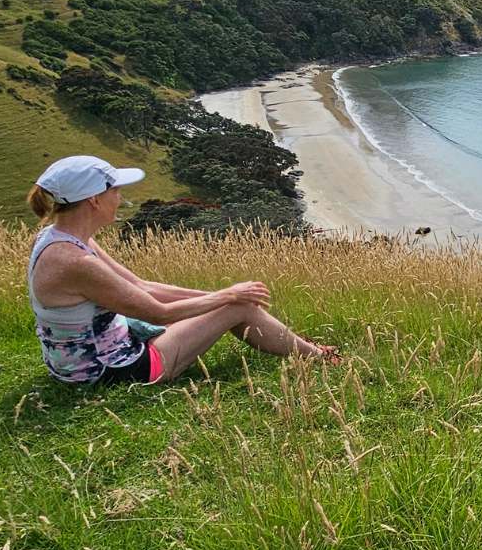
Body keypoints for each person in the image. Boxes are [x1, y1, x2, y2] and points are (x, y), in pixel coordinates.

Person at [26, 155, 336, 385]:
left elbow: (139, 285)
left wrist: (221, 296)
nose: (120, 198)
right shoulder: (77, 263)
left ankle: (302, 346)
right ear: (94, 200)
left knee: (235, 302)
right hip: (111, 371)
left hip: (77, 364)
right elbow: (158, 313)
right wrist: (228, 297)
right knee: (237, 305)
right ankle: (319, 358)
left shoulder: (61, 238)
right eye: (115, 191)